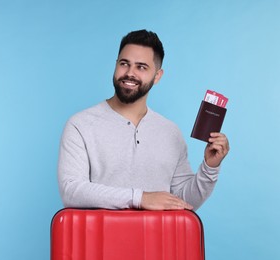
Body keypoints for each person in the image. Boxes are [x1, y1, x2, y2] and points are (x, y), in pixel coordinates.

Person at [57, 29, 229, 211]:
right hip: (102, 238)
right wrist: (140, 198)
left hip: (159, 238)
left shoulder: (171, 132)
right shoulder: (80, 125)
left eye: (141, 67)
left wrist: (210, 167)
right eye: (124, 64)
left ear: (157, 76)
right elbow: (71, 191)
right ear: (116, 65)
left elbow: (183, 203)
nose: (129, 73)